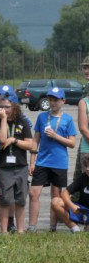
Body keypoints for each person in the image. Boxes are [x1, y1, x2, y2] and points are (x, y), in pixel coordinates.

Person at [29, 87, 77, 232]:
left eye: (56, 100)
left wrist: (56, 136)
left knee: (55, 195)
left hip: (59, 162)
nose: (53, 103)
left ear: (63, 101)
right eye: (50, 100)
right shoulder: (42, 117)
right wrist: (32, 161)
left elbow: (72, 143)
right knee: (33, 193)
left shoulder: (68, 119)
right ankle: (32, 227)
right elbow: (35, 141)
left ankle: (52, 228)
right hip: (42, 161)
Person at [0, 85, 33, 233]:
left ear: (14, 107)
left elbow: (30, 144)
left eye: (7, 107)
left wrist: (14, 141)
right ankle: (4, 231)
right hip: (4, 167)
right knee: (5, 200)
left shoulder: (23, 122)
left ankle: (20, 230)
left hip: (20, 166)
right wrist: (4, 119)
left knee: (20, 200)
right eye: (1, 106)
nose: (3, 109)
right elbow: (2, 138)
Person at [52, 154, 89, 233]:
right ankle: (75, 229)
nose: (88, 169)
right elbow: (65, 193)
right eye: (86, 166)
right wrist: (72, 206)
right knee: (56, 202)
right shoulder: (83, 177)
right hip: (81, 210)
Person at [75, 56, 89, 183]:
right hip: (86, 143)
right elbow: (83, 128)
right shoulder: (86, 88)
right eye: (85, 67)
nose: (86, 70)